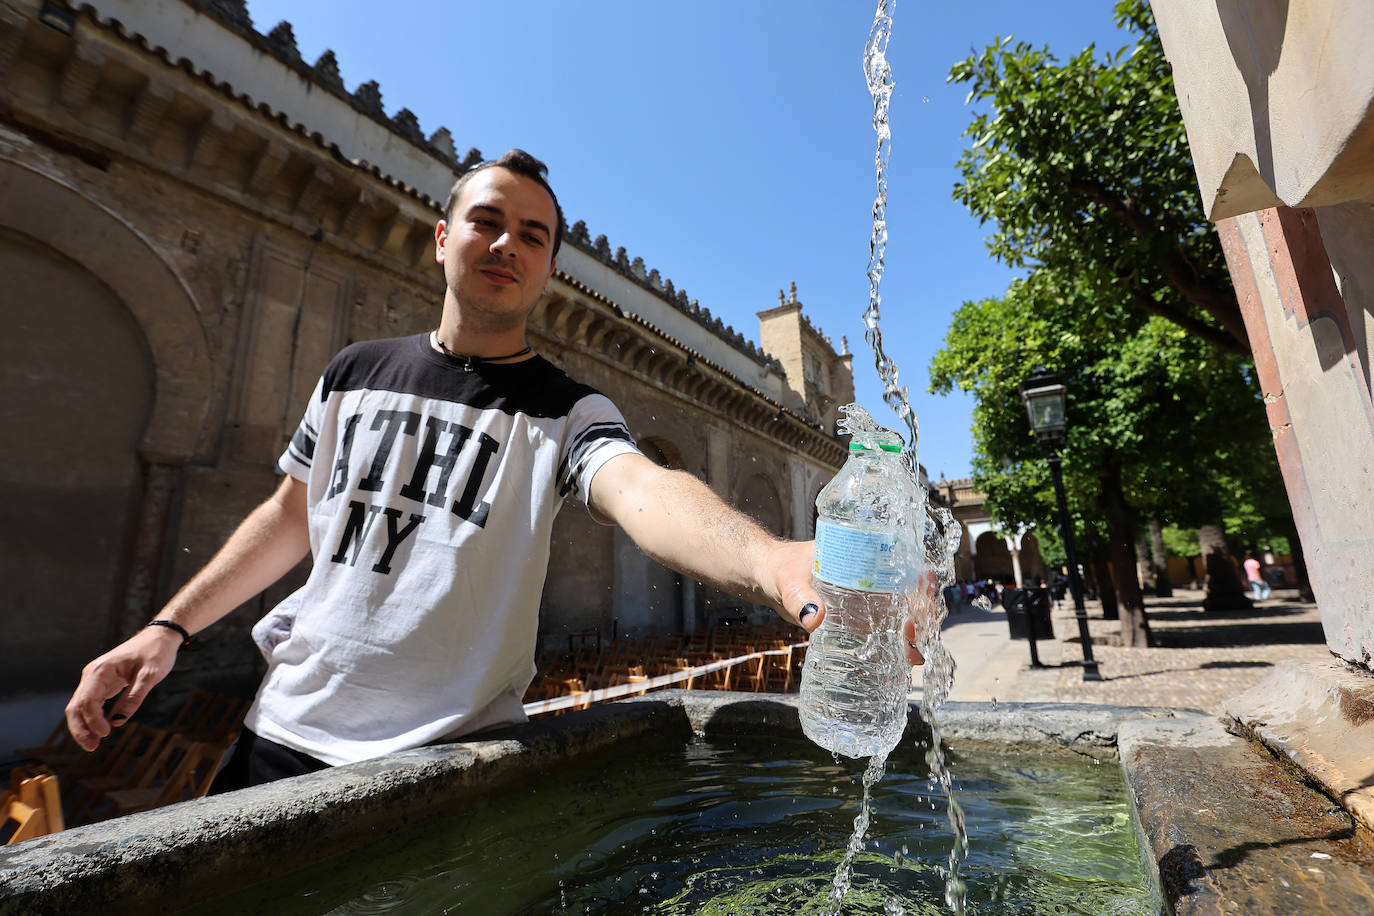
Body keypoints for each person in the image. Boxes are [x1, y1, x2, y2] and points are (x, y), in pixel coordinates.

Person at [64, 150, 925, 790]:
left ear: (549, 270)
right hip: (276, 737)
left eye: (533, 235)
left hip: (451, 764)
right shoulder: (353, 372)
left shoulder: (568, 411)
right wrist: (167, 630)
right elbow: (290, 515)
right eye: (487, 220)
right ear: (444, 239)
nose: (506, 242)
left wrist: (772, 560)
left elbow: (643, 489)